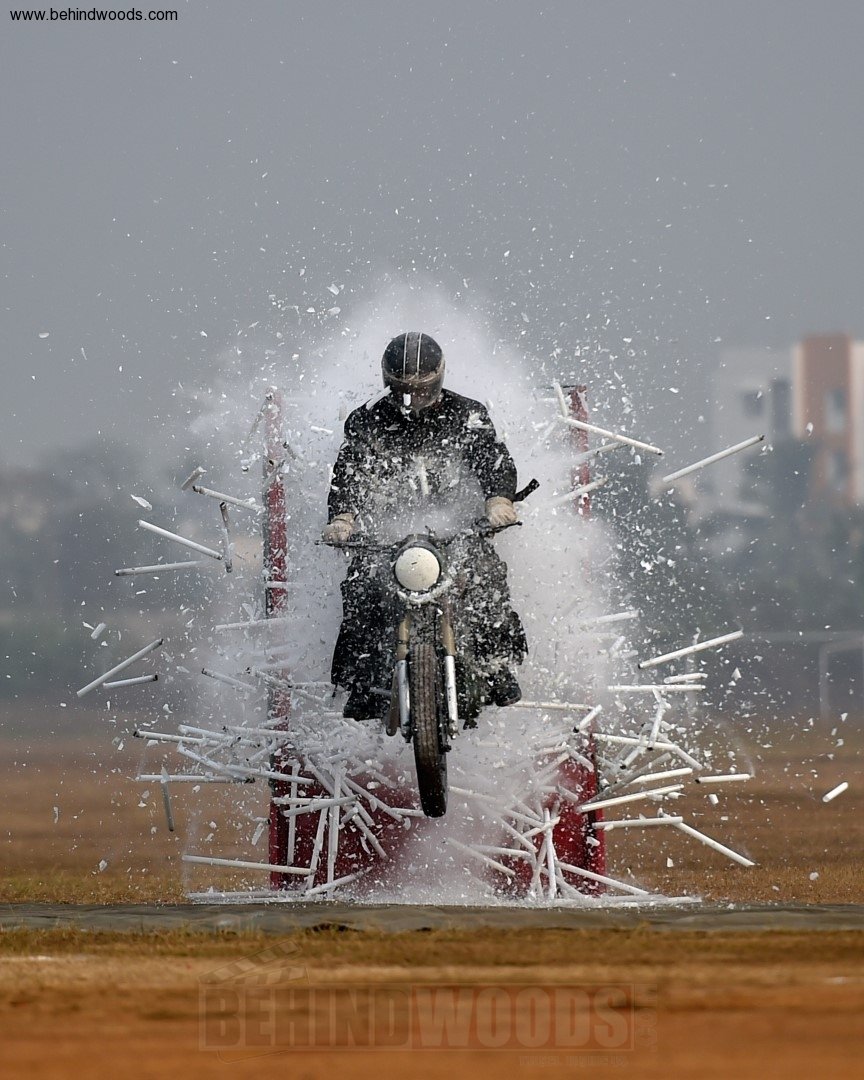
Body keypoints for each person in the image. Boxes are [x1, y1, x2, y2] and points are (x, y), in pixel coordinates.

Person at [322, 332, 527, 720]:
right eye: (402, 390)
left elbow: (492, 458)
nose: (411, 399)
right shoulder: (366, 420)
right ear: (387, 382)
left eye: (421, 390)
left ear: (439, 378)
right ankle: (363, 684)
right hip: (386, 537)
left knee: (488, 576)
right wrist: (342, 518)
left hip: (459, 531)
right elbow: (346, 472)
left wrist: (499, 499)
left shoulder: (468, 413)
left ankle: (497, 667)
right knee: (360, 587)